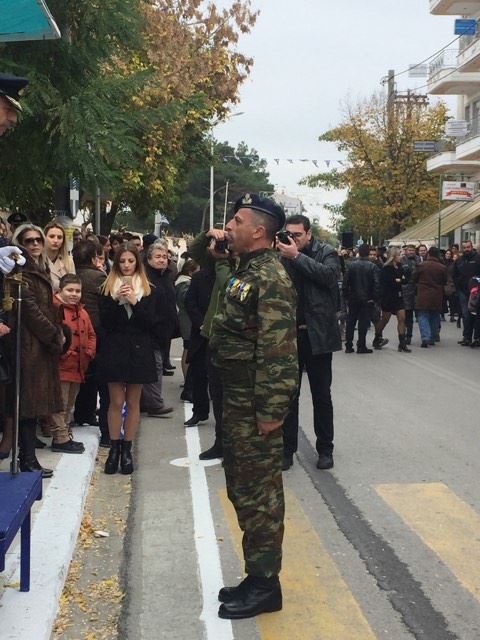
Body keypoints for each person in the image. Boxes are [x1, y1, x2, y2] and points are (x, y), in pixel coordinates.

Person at [210, 193, 298, 620]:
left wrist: (271, 411)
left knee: (260, 495)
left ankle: (266, 585)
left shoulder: (272, 277)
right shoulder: (246, 270)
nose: (229, 226)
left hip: (255, 407)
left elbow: (279, 351)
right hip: (238, 402)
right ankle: (256, 575)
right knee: (243, 490)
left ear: (258, 229)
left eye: (237, 220)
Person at [277, 214, 342, 471]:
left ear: (309, 234)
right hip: (290, 336)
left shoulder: (326, 252)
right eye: (289, 235)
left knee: (321, 396)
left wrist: (296, 256)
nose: (292, 239)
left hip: (318, 335)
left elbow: (328, 277)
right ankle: (286, 450)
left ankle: (325, 449)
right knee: (289, 397)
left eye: (298, 235)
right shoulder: (281, 254)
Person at [10, 224, 65, 477]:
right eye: (28, 240)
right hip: (27, 346)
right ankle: (27, 459)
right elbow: (30, 311)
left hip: (39, 346)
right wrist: (53, 334)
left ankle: (28, 457)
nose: (34, 245)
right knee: (27, 405)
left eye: (37, 240)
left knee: (32, 406)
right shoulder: (17, 272)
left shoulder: (39, 268)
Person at [97, 244, 157, 474]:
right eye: (122, 261)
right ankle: (114, 448)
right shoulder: (106, 288)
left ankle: (127, 450)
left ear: (137, 263)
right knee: (116, 402)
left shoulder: (149, 288)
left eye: (131, 261)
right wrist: (117, 301)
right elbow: (105, 322)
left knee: (133, 402)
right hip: (115, 349)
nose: (126, 265)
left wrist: (134, 301)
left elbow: (152, 323)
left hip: (139, 350)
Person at [51, 274, 96, 452]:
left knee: (69, 403)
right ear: (60, 290)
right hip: (62, 365)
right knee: (59, 404)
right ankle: (60, 438)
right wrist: (65, 352)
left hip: (79, 365)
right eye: (70, 290)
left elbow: (91, 334)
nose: (74, 294)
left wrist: (89, 351)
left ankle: (65, 433)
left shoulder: (82, 312)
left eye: (78, 291)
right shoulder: (54, 309)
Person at [72, 240, 109, 445]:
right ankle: (86, 413)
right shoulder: (98, 277)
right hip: (96, 330)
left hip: (76, 330)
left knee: (79, 372)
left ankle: (81, 412)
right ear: (95, 258)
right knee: (94, 375)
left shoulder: (72, 274)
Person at [141, 242, 178, 417]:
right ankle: (155, 404)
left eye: (164, 257)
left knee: (154, 365)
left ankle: (145, 401)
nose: (162, 260)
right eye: (157, 257)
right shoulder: (146, 278)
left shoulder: (167, 277)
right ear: (148, 259)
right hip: (149, 329)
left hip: (163, 330)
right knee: (155, 366)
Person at [343, 244, 380, 354]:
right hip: (367, 299)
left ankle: (349, 345)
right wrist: (374, 298)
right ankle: (361, 345)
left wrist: (347, 296)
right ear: (368, 253)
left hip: (353, 298)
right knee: (363, 323)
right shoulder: (372, 267)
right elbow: (377, 284)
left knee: (351, 321)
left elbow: (345, 283)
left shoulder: (352, 266)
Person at [375, 246, 411, 353]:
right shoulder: (386, 269)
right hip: (388, 297)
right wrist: (398, 280)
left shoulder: (400, 267)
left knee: (402, 318)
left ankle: (402, 343)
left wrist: (399, 280)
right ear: (393, 256)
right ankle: (377, 337)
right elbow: (389, 283)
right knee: (385, 320)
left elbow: (405, 280)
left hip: (398, 297)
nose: (400, 257)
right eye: (399, 255)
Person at [413, 246, 447, 348]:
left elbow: (414, 278)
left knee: (423, 315)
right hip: (437, 294)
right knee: (435, 316)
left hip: (423, 294)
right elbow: (444, 281)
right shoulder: (442, 267)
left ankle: (425, 337)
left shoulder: (421, 265)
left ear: (429, 254)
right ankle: (432, 337)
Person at [175, 259, 198, 400]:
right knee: (188, 350)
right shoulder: (184, 284)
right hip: (187, 321)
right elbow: (185, 300)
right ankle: (187, 378)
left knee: (188, 349)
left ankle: (188, 379)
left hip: (186, 320)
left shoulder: (182, 282)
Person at [453, 239, 480, 346]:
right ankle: (466, 337)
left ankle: (477, 337)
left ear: (471, 247)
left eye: (468, 247)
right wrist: (458, 284)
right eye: (464, 248)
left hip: (476, 292)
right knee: (466, 315)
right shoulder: (459, 260)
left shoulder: (478, 258)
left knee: (476, 315)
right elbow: (454, 275)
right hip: (463, 291)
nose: (466, 249)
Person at [44, 222, 76, 292]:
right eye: (52, 236)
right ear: (44, 238)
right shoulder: (38, 259)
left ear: (63, 241)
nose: (56, 241)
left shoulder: (68, 261)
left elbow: (73, 287)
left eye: (59, 237)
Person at [401, 244, 420, 345]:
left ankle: (412, 335)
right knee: (407, 315)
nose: (411, 252)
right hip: (406, 290)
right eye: (409, 250)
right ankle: (406, 335)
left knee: (417, 314)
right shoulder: (402, 260)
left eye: (413, 250)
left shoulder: (419, 260)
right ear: (406, 251)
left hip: (417, 290)